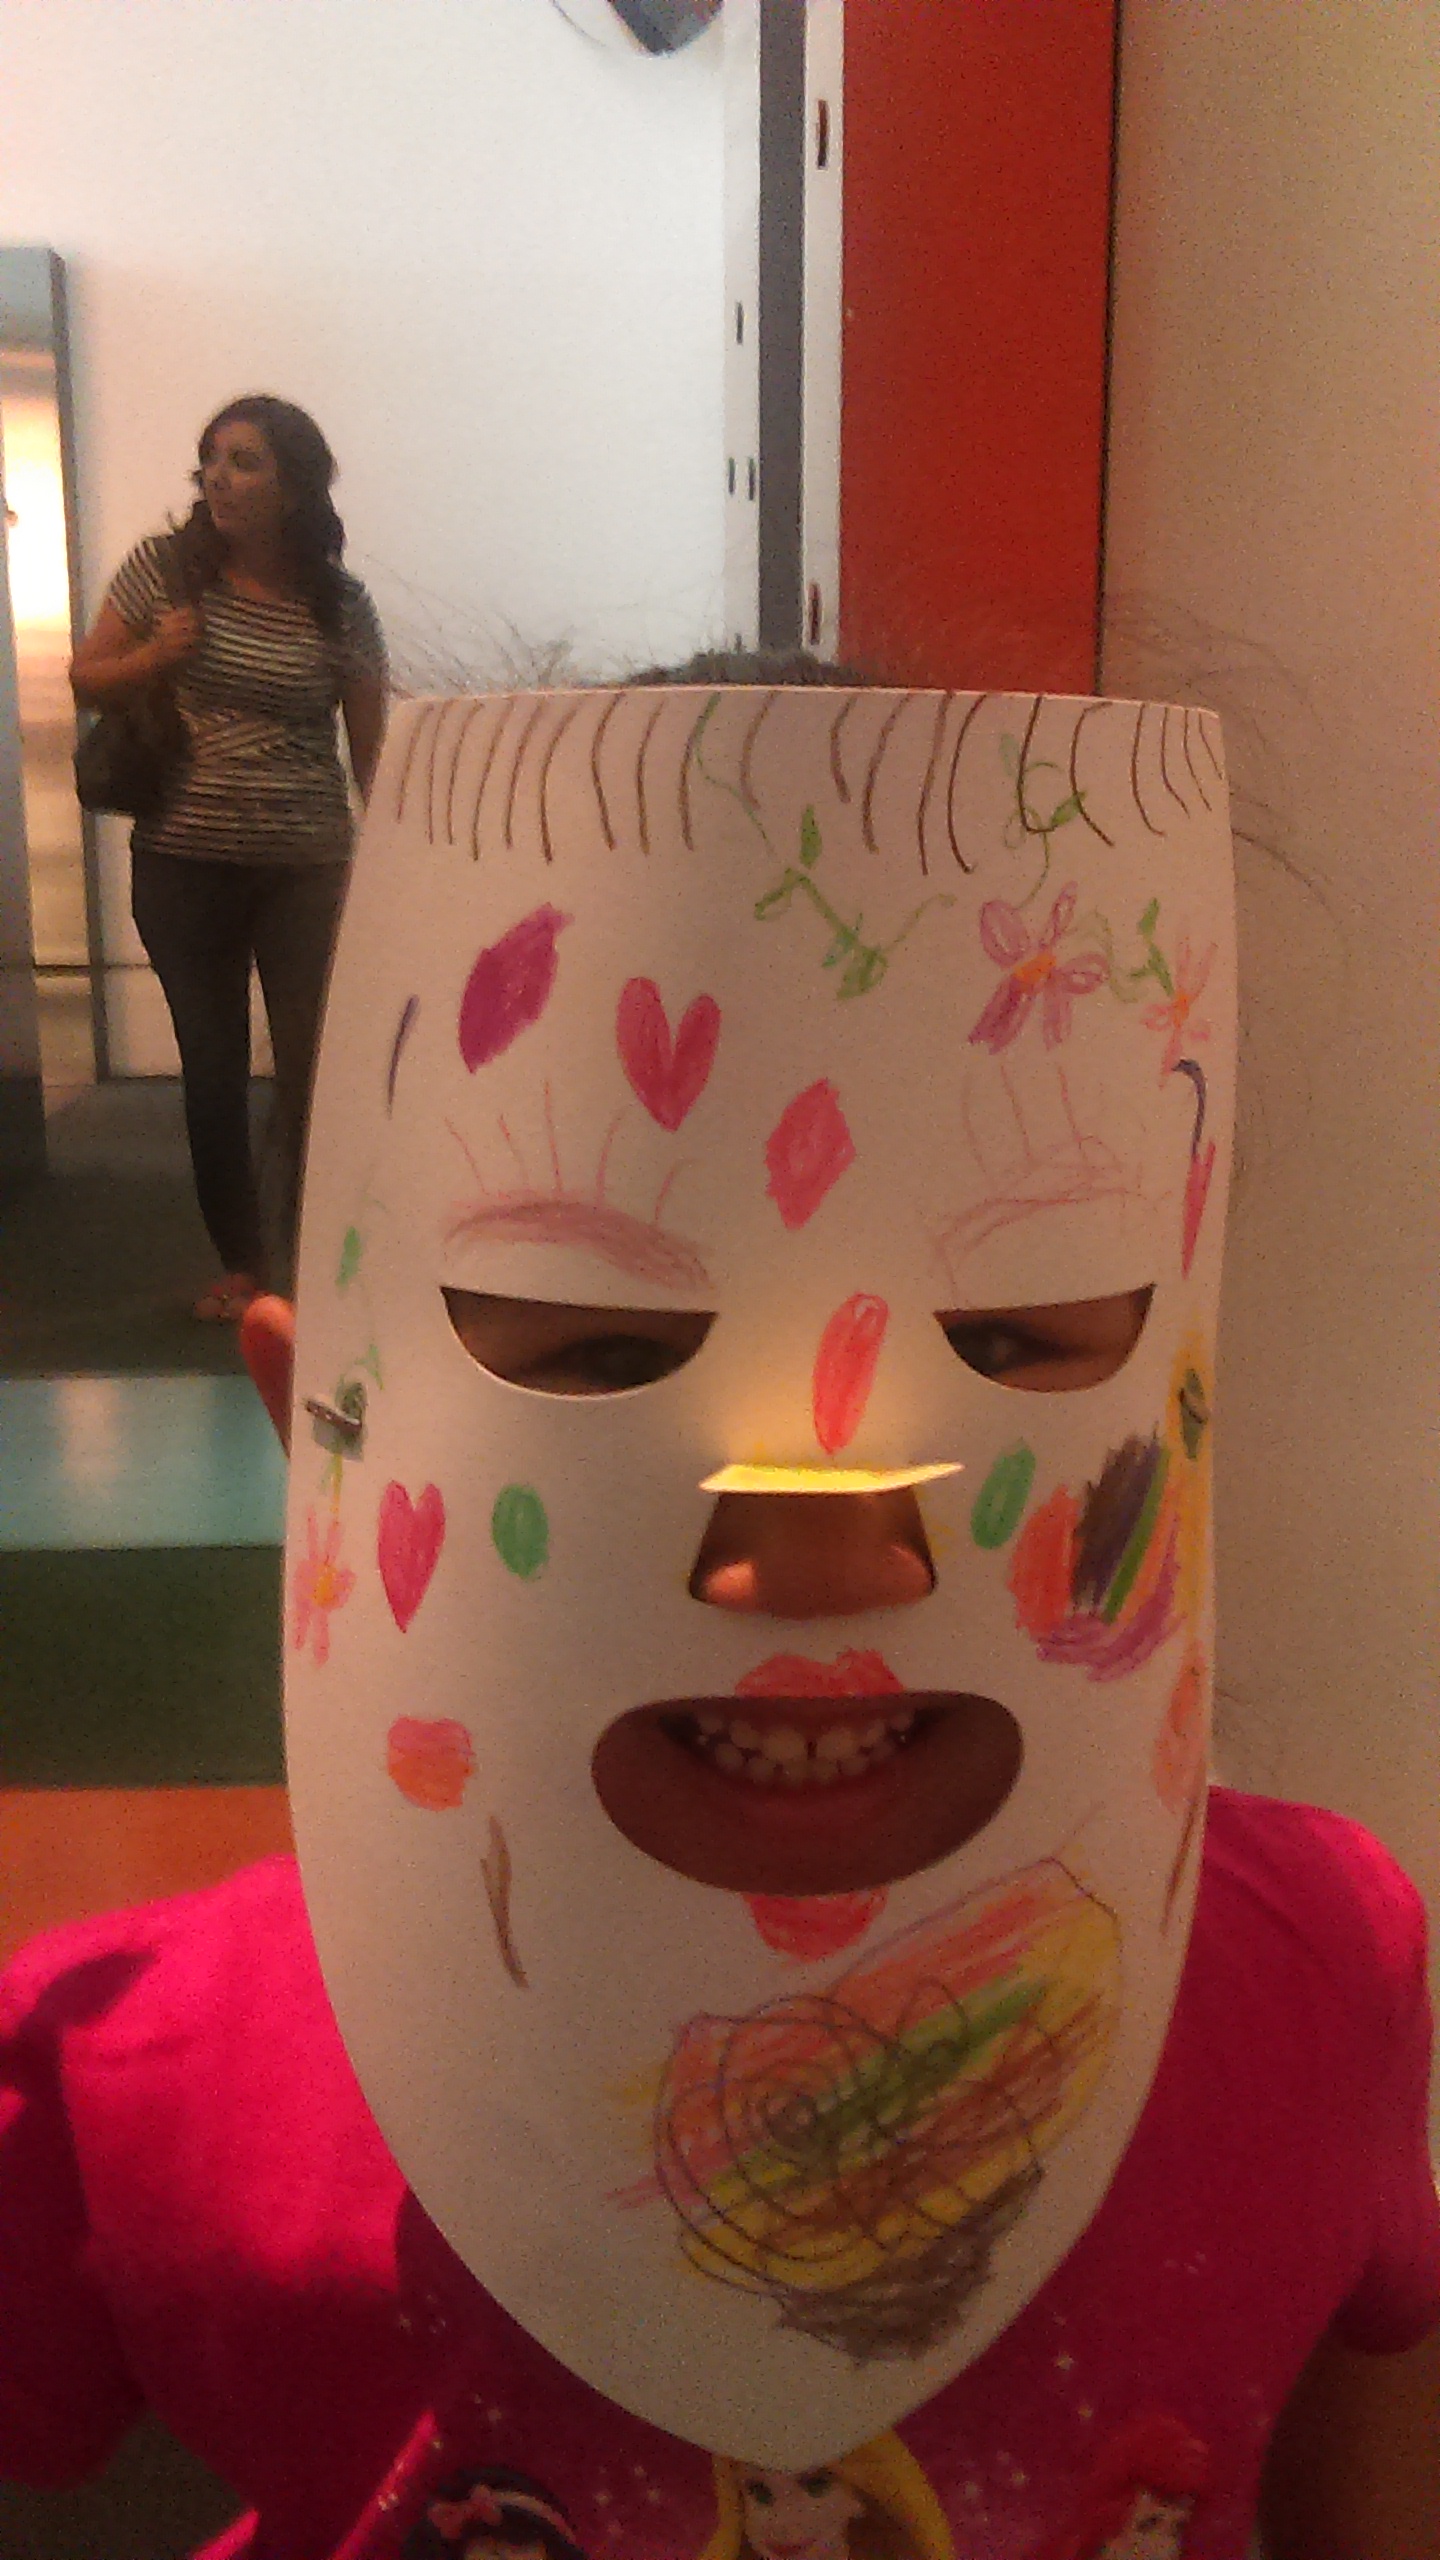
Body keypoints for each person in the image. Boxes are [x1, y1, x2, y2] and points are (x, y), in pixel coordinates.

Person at [2, 666, 1438, 2560]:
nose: (833, 1555)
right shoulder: (132, 2070)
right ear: (317, 1422)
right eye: (601, 1352)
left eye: (1019, 1339)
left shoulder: (1324, 1973)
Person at [69, 394, 388, 1317]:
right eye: (211, 459)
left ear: (295, 485)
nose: (220, 477)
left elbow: (371, 750)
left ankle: (319, 1259)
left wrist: (401, 860)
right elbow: (86, 677)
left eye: (245, 461)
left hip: (306, 862)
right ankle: (246, 1266)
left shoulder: (340, 603)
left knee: (314, 1066)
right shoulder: (163, 571)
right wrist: (155, 658)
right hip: (184, 858)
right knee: (211, 1066)